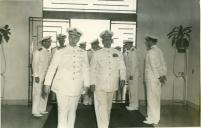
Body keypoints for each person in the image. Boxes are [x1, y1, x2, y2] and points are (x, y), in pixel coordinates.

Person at [43, 28, 90, 128]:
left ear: (78, 39)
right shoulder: (60, 51)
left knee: (73, 111)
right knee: (62, 111)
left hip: (77, 86)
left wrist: (86, 85)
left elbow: (86, 69)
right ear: (68, 37)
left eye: (76, 37)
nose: (74, 39)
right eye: (72, 37)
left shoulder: (83, 52)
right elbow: (52, 67)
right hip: (62, 86)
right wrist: (47, 84)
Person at [90, 30, 126, 128]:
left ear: (112, 41)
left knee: (108, 107)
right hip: (99, 84)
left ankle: (104, 125)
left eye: (109, 40)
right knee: (102, 107)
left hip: (112, 84)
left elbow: (122, 67)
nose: (107, 42)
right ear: (102, 41)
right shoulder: (97, 53)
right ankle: (104, 126)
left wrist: (122, 79)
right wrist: (92, 83)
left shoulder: (118, 53)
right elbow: (92, 69)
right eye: (105, 40)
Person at [143, 35, 167, 125]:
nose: (146, 43)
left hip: (152, 79)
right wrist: (163, 75)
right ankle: (156, 118)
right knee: (156, 98)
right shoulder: (159, 51)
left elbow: (153, 66)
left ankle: (151, 119)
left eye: (147, 41)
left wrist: (158, 76)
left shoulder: (151, 52)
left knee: (151, 98)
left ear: (150, 41)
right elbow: (163, 64)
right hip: (158, 78)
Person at [32, 36, 52, 117]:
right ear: (43, 43)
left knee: (45, 92)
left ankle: (42, 109)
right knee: (37, 93)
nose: (49, 43)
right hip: (39, 75)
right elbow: (34, 64)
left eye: (50, 42)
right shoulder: (38, 52)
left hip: (46, 76)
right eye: (48, 42)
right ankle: (35, 111)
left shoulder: (48, 52)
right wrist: (36, 75)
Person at [82, 39, 102, 105]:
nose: (95, 45)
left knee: (98, 88)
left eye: (96, 44)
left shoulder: (101, 51)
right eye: (93, 44)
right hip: (89, 72)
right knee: (88, 86)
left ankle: (94, 100)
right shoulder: (88, 52)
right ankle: (87, 98)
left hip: (99, 73)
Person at [123, 40, 139, 111]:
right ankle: (132, 104)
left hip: (133, 75)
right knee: (130, 90)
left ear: (130, 44)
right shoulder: (129, 52)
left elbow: (134, 64)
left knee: (133, 91)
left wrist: (132, 74)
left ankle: (134, 105)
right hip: (130, 75)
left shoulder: (133, 52)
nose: (125, 46)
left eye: (126, 45)